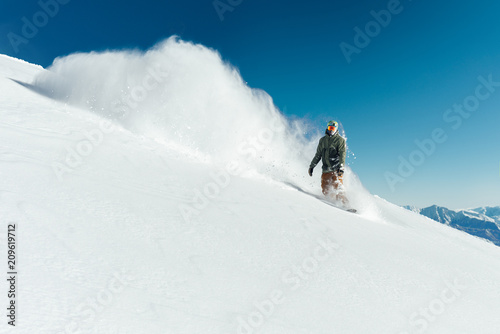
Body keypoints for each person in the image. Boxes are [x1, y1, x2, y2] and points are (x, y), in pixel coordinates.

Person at [308, 120, 348, 206]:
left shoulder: (340, 140)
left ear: (336, 129)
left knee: (339, 187)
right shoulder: (322, 140)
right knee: (325, 189)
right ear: (327, 128)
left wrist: (341, 167)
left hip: (337, 168)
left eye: (333, 128)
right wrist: (312, 166)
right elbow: (318, 155)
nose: (331, 130)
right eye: (330, 128)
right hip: (326, 169)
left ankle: (345, 205)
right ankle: (331, 204)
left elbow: (342, 155)